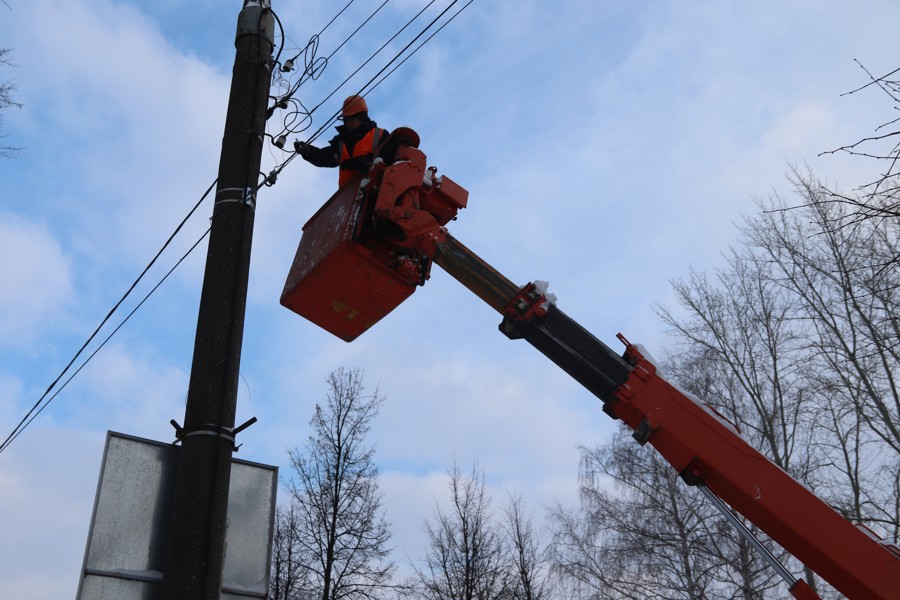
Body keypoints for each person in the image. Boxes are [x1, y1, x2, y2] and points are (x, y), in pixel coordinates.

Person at [294, 95, 390, 188]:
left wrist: (364, 162)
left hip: (374, 192)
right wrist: (309, 151)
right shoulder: (341, 142)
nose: (348, 124)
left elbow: (390, 161)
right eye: (345, 120)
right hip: (348, 199)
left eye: (351, 119)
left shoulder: (380, 135)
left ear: (362, 117)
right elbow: (325, 157)